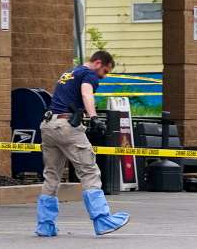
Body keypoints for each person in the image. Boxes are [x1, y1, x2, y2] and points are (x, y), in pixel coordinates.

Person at [36, 51, 129, 237]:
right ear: (98, 62)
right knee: (89, 171)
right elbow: (87, 94)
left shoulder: (70, 73)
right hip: (66, 126)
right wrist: (94, 117)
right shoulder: (90, 74)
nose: (104, 75)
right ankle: (102, 220)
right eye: (105, 70)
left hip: (48, 125)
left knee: (52, 175)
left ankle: (45, 226)